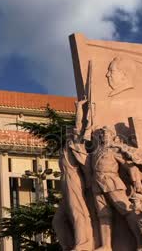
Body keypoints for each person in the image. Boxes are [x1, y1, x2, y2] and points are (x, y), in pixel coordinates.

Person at [91, 126, 142, 251]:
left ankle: (141, 242)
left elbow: (131, 166)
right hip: (97, 184)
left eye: (106, 134)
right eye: (102, 135)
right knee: (103, 215)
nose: (104, 137)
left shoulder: (115, 150)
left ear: (112, 136)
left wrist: (137, 182)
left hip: (112, 182)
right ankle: (106, 246)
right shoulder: (96, 151)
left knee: (127, 210)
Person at [52, 100, 94, 251]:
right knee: (58, 220)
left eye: (71, 131)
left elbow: (79, 126)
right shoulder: (66, 147)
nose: (69, 132)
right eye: (68, 131)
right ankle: (68, 245)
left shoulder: (76, 145)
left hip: (75, 181)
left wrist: (79, 108)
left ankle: (82, 244)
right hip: (66, 183)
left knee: (78, 212)